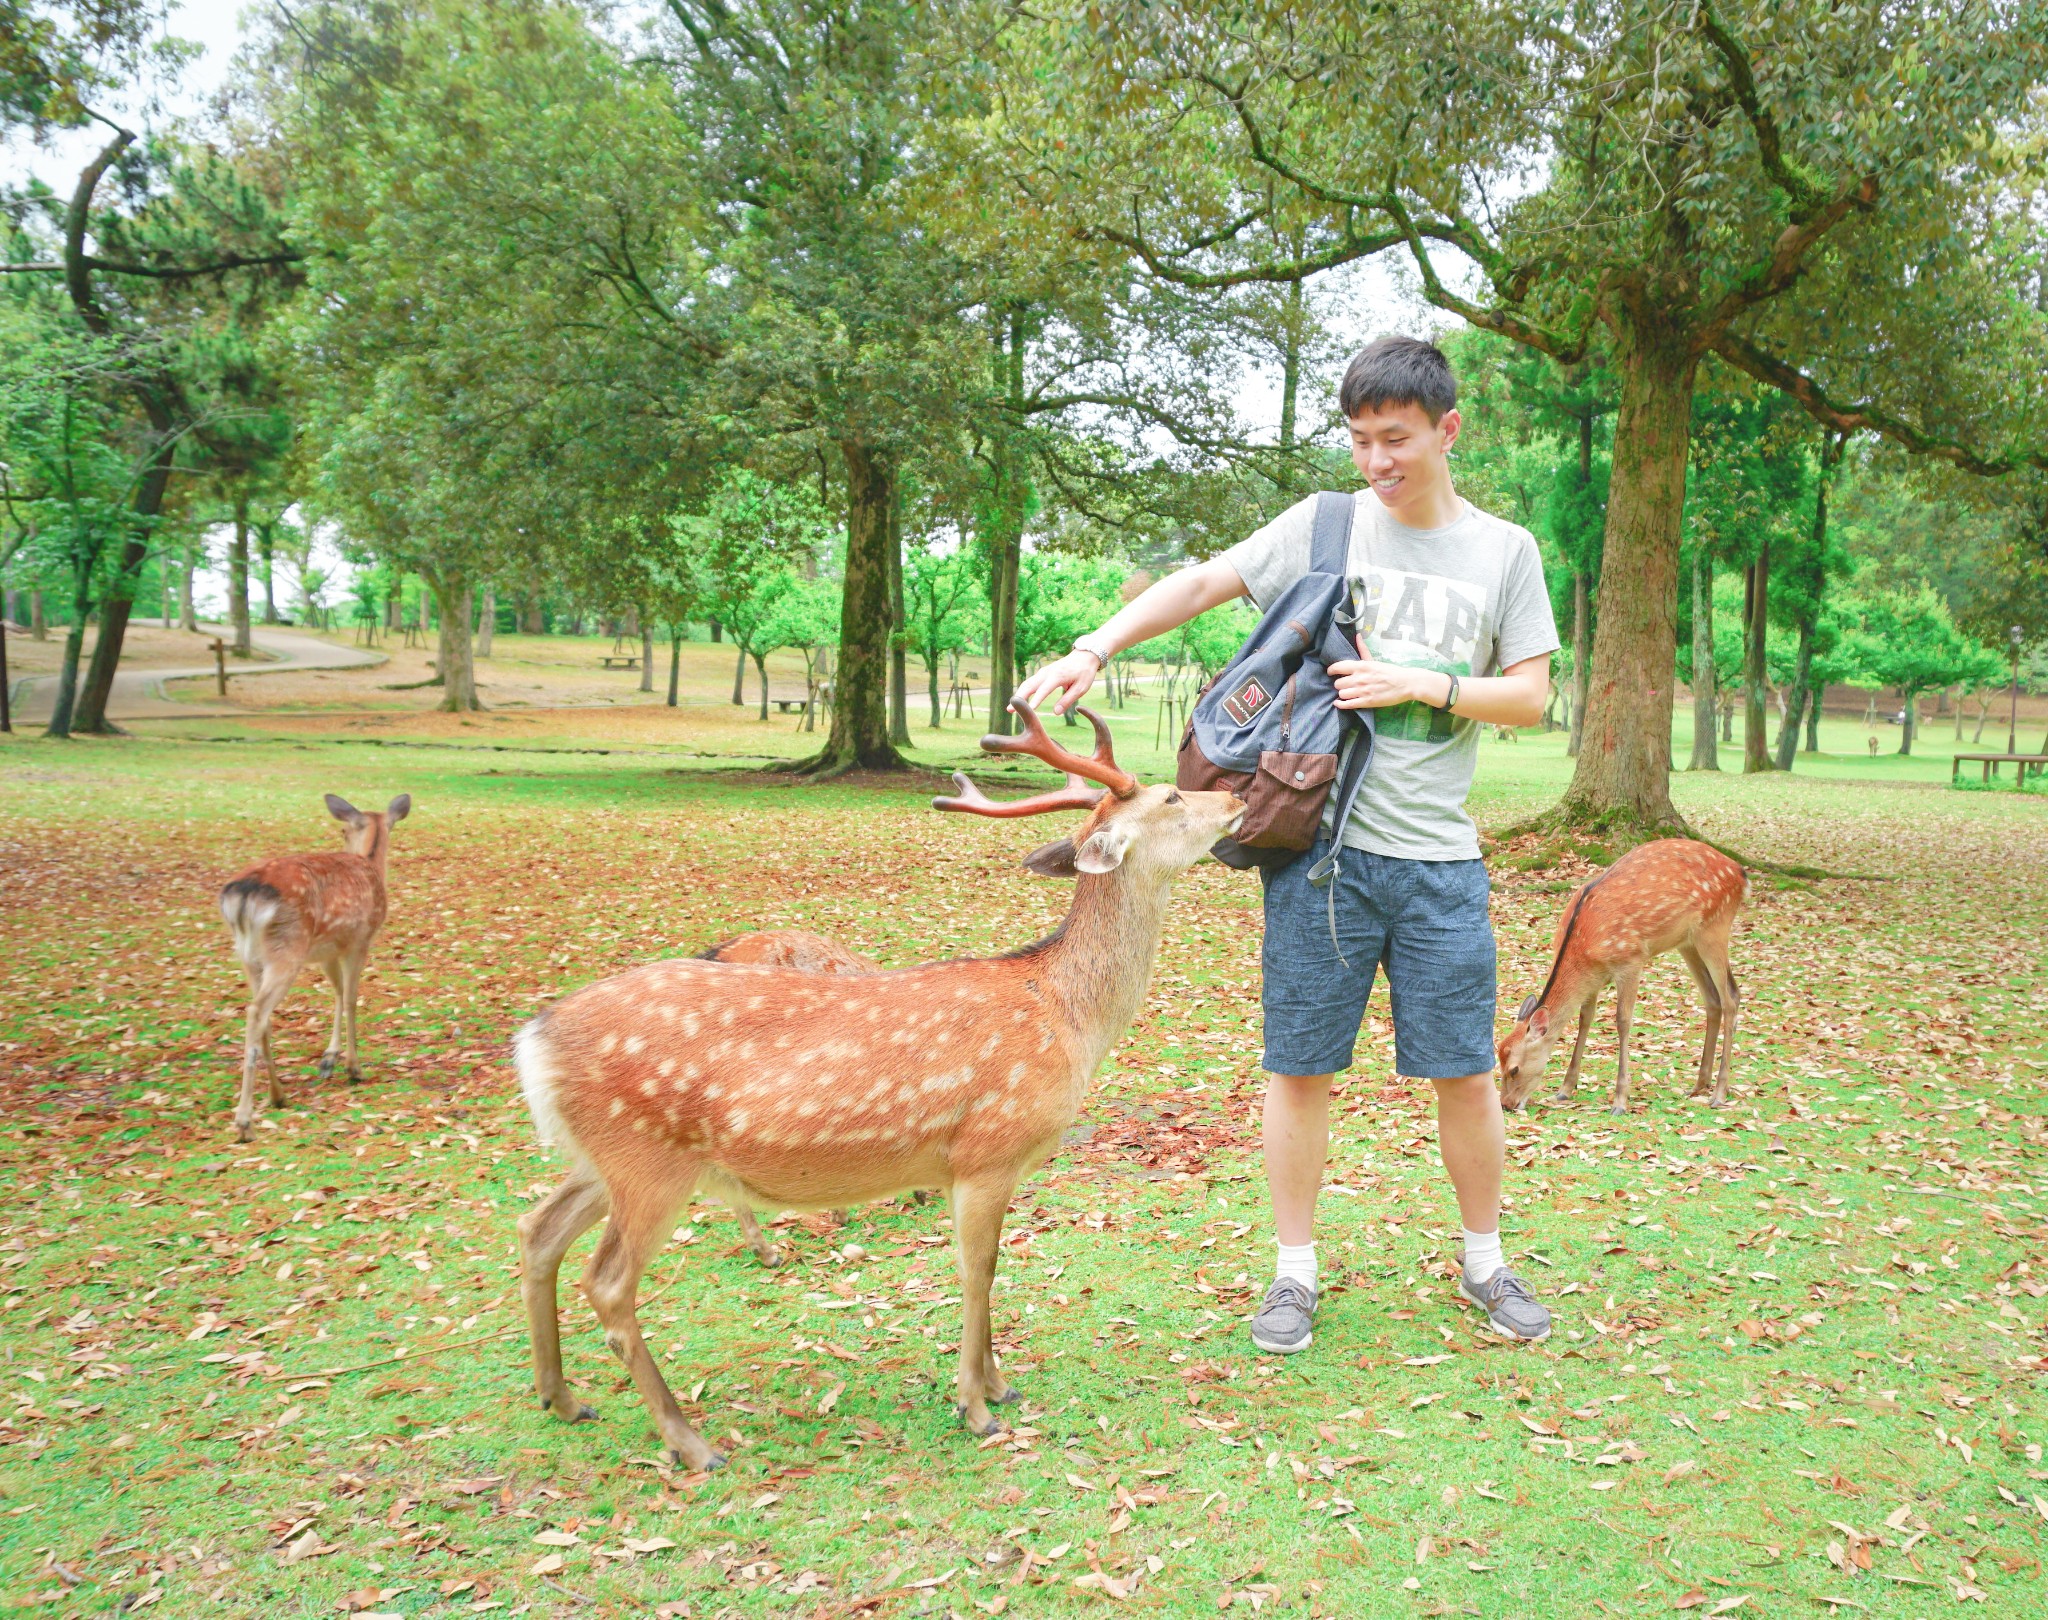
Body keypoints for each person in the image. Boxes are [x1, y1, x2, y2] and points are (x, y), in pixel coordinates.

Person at [1015, 335, 1559, 1353]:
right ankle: (1291, 1276)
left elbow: (1529, 694)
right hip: (1318, 862)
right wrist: (1095, 645)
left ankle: (1483, 1261)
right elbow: (1200, 582)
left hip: (1439, 862)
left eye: (1394, 440)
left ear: (1446, 429)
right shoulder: (1323, 526)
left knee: (1464, 1074)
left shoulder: (1504, 551)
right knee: (1297, 1070)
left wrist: (1421, 685)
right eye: (1358, 441)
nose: (1375, 463)